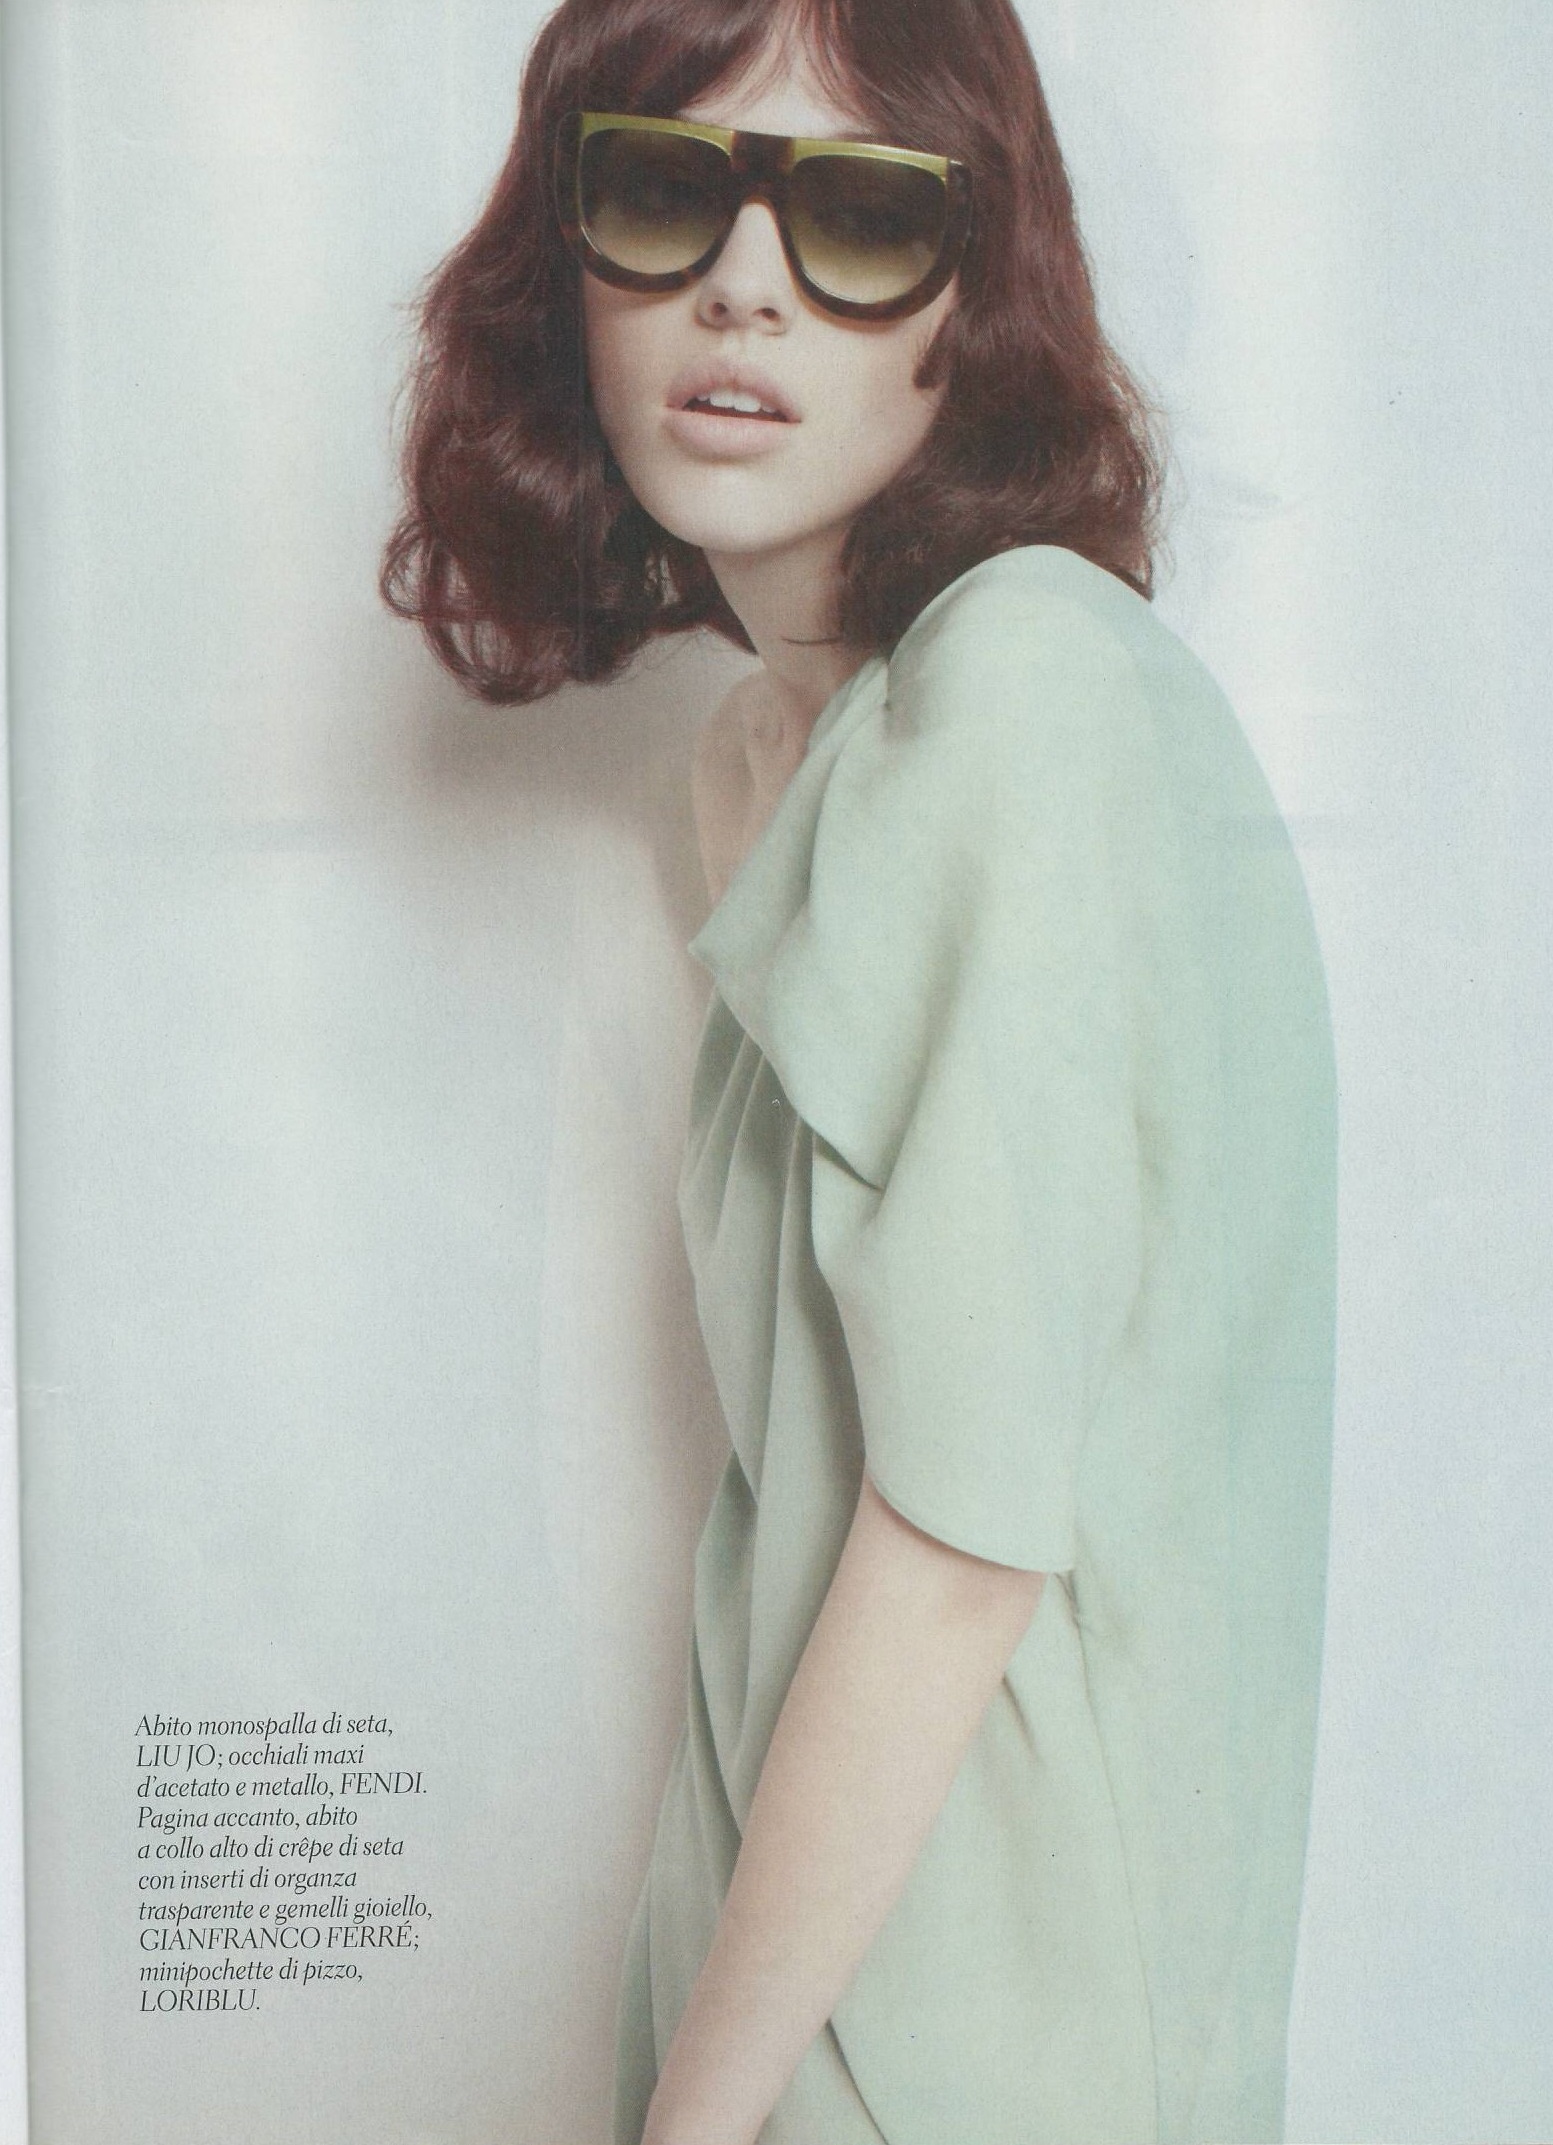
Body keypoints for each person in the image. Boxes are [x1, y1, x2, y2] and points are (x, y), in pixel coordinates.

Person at [380, 1, 1338, 2139]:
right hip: (830, 1983)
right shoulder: (804, 756)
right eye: (661, 189)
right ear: (567, 262)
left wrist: (691, 2114)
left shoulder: (1028, 688)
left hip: (966, 2048)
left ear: (971, 305)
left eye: (860, 216)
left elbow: (959, 1532)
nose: (745, 283)